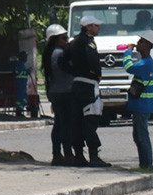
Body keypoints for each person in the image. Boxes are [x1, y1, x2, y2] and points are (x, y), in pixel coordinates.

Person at [61, 14, 110, 167]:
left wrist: (74, 72)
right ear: (88, 27)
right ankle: (94, 156)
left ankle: (79, 155)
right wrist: (94, 74)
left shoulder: (73, 42)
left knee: (77, 121)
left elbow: (61, 61)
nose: (98, 27)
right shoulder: (87, 42)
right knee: (91, 120)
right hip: (88, 86)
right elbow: (92, 61)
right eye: (96, 25)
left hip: (76, 85)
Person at [41, 24, 77, 166]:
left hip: (56, 92)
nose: (66, 41)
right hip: (64, 92)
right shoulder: (59, 54)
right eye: (64, 38)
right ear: (55, 40)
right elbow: (70, 69)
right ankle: (67, 154)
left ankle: (57, 154)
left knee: (58, 124)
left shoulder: (50, 54)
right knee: (66, 125)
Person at [123, 32, 153, 171]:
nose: (138, 43)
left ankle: (147, 164)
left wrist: (127, 51)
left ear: (149, 46)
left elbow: (128, 67)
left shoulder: (146, 63)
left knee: (142, 137)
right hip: (141, 106)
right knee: (138, 136)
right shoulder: (146, 62)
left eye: (142, 41)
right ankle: (143, 164)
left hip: (142, 106)